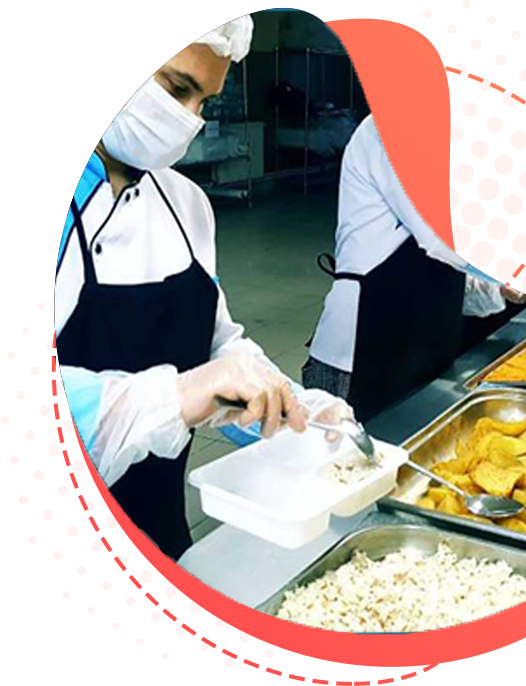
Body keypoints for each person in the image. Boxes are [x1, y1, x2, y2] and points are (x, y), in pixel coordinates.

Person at [55, 17, 351, 561]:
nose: (188, 120)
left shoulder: (186, 205)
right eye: (176, 88)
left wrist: (295, 407)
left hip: (161, 535)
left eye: (204, 102)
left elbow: (218, 349)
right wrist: (171, 398)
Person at [303, 114, 526, 421]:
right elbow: (443, 237)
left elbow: (444, 273)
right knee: (347, 448)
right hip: (363, 349)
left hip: (427, 348)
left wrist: (499, 289)